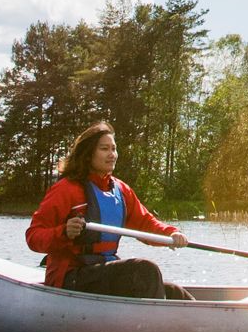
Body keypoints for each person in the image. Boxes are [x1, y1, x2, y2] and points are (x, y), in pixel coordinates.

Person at [26, 122, 194, 300]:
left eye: (114, 149)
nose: (112, 155)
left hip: (103, 271)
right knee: (145, 271)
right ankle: (155, 325)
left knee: (174, 292)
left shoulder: (121, 190)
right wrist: (63, 232)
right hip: (71, 277)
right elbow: (33, 236)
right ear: (88, 153)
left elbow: (145, 224)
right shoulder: (65, 189)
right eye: (104, 149)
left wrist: (172, 234)